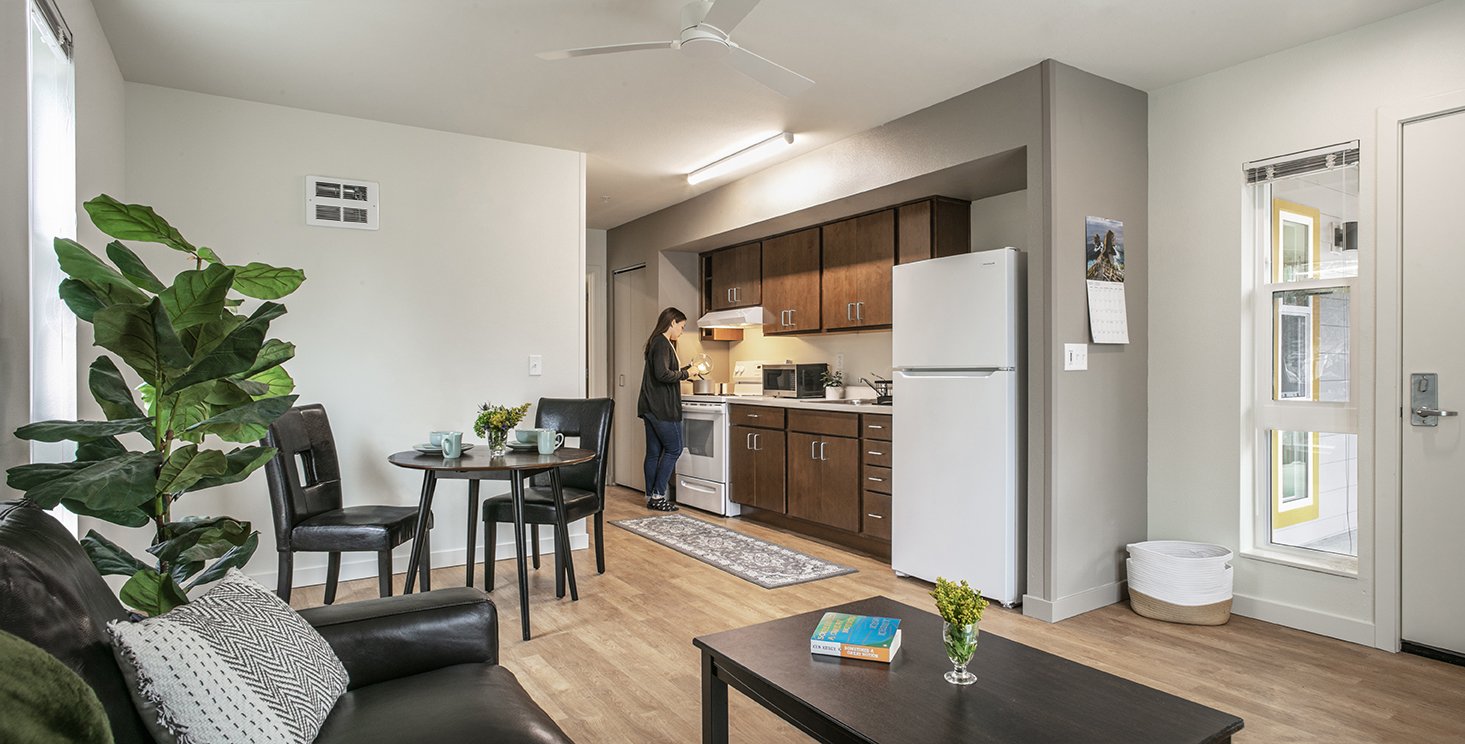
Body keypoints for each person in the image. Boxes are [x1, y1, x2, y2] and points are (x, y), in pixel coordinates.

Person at [638, 307, 692, 511]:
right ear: (672, 323)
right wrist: (686, 375)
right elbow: (662, 375)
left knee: (653, 452)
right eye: (682, 326)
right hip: (661, 407)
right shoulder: (662, 342)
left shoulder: (658, 342)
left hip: (650, 405)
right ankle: (659, 496)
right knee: (674, 448)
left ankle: (651, 495)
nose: (682, 331)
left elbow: (665, 372)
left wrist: (687, 370)